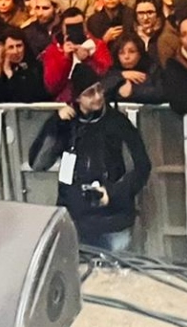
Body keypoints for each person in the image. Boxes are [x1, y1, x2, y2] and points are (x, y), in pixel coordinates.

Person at [27, 69, 151, 252]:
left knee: (113, 276)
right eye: (89, 93)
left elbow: (142, 166)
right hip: (75, 221)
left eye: (99, 89)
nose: (98, 97)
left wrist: (113, 193)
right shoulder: (68, 124)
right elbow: (38, 163)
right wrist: (54, 124)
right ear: (77, 98)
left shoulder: (118, 123)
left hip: (112, 222)